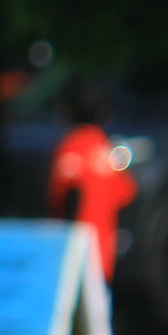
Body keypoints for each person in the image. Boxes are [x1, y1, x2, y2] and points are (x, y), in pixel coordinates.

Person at [45, 79, 134, 282]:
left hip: (71, 257)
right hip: (103, 255)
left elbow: (61, 197)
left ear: (67, 112)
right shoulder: (106, 148)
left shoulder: (69, 148)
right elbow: (126, 192)